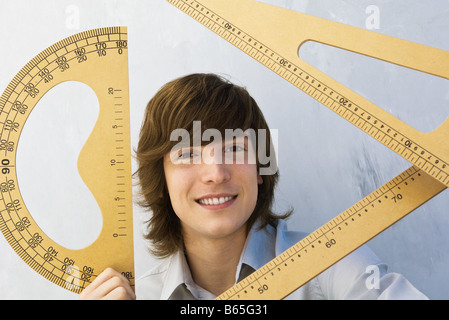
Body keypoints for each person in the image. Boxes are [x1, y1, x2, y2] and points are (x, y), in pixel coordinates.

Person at [80, 73, 427, 300]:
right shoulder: (140, 294)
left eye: (234, 149)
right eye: (187, 154)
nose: (216, 172)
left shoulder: (331, 265)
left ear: (261, 167)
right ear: (160, 181)